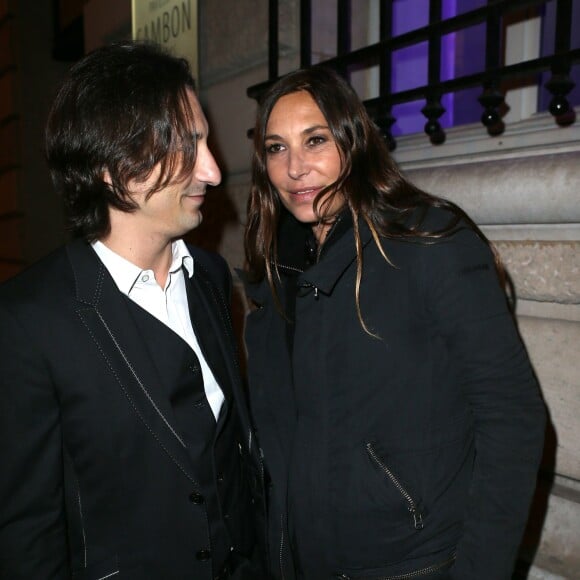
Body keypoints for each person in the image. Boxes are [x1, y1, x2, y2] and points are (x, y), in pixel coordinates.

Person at [242, 66, 546, 579]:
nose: (294, 167)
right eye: (276, 148)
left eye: (315, 140)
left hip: (412, 564)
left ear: (353, 141)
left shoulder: (428, 241)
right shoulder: (278, 272)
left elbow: (513, 415)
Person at [0, 40, 265, 579]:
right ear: (112, 165)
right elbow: (27, 532)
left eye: (207, 143)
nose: (213, 172)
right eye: (187, 146)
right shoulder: (27, 321)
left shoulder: (211, 277)